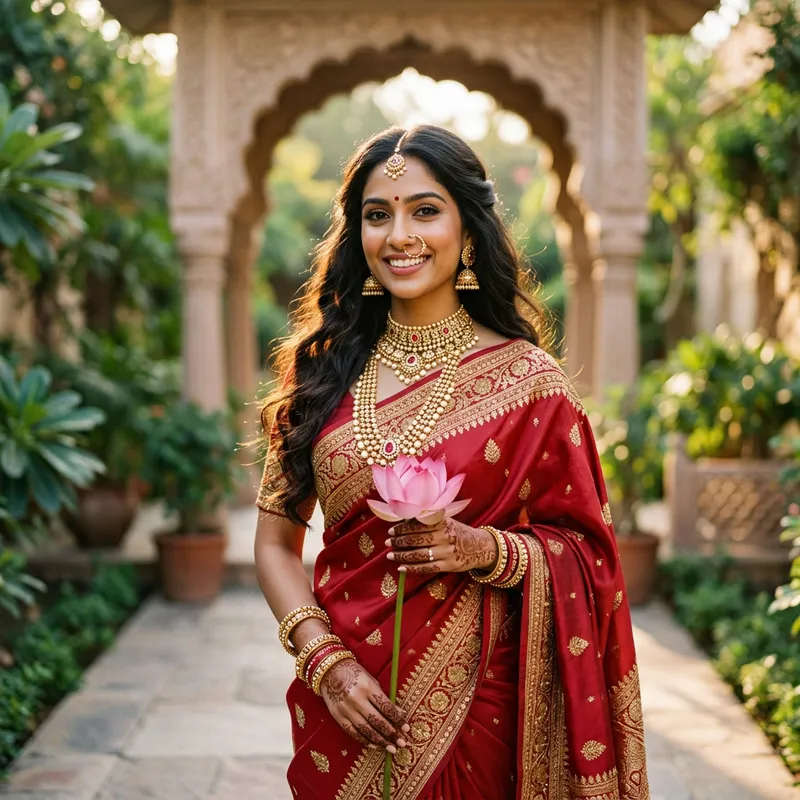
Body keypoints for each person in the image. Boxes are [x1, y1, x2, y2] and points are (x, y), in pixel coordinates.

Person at [253, 124, 649, 800]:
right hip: (346, 707)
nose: (399, 235)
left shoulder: (531, 384)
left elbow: (590, 554)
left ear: (468, 231)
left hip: (483, 715)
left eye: (425, 210)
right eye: (378, 215)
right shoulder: (320, 376)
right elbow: (274, 545)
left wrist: (483, 549)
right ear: (359, 236)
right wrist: (327, 664)